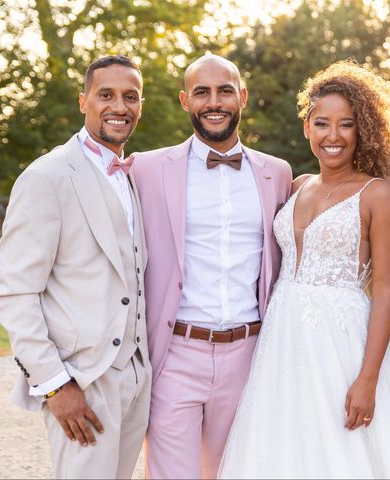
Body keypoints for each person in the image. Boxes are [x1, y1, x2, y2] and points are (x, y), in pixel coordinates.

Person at [218, 60, 390, 478]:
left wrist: (368, 378)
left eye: (346, 125)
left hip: (343, 346)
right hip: (282, 344)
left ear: (363, 130)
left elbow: (387, 291)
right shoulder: (297, 185)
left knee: (343, 453)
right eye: (322, 123)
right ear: (307, 127)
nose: (332, 136)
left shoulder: (378, 195)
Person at [131, 54, 293, 479]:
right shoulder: (146, 168)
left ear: (241, 96)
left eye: (224, 90)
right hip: (174, 353)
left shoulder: (276, 173)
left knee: (238, 471)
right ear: (186, 100)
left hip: (249, 352)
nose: (214, 101)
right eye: (202, 92)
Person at [0, 55, 150, 478]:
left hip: (135, 377)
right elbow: (16, 292)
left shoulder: (133, 175)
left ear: (140, 105)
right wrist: (56, 386)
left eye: (130, 96)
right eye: (106, 95)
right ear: (84, 101)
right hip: (81, 379)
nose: (119, 106)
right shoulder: (47, 176)